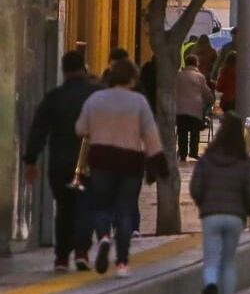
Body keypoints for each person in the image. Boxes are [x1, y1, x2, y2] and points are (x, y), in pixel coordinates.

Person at [75, 57, 162, 277]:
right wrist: (159, 163)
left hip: (102, 160)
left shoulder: (96, 99)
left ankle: (104, 237)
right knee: (124, 208)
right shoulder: (139, 102)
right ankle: (122, 262)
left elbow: (80, 128)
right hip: (130, 161)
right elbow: (151, 135)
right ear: (132, 79)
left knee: (102, 205)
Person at [22, 51, 100, 271]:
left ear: (64, 71)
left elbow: (39, 129)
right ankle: (82, 252)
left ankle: (62, 257)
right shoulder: (96, 95)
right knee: (85, 206)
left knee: (64, 208)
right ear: (83, 69)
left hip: (59, 163)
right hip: (88, 161)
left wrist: (31, 160)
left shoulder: (54, 97)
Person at [191, 115, 250, 294]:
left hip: (211, 215)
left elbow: (196, 187)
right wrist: (247, 209)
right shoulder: (246, 162)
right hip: (235, 216)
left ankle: (210, 286)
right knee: (228, 262)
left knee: (211, 259)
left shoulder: (207, 159)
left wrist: (203, 205)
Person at [176, 54, 215, 162]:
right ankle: (193, 152)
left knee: (182, 132)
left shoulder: (178, 75)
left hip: (180, 109)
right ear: (196, 63)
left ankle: (183, 154)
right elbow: (206, 92)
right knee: (195, 131)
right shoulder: (200, 77)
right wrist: (211, 99)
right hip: (195, 108)